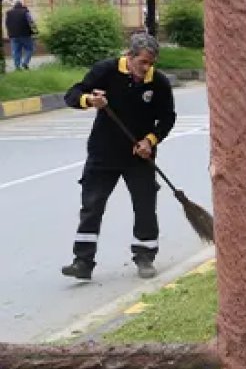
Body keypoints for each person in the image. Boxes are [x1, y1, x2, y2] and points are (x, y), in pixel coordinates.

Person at [61, 33, 177, 281]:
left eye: (151, 63)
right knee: (92, 205)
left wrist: (150, 140)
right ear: (129, 56)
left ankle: (145, 256)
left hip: (139, 156)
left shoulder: (158, 82)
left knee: (145, 205)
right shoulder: (106, 70)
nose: (146, 68)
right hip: (103, 152)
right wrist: (90, 100)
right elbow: (72, 94)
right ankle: (83, 261)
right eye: (142, 62)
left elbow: (167, 118)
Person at [4, 0, 38, 71]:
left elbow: (7, 24)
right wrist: (35, 32)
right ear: (21, 4)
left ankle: (17, 67)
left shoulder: (9, 13)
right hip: (25, 35)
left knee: (16, 51)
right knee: (30, 49)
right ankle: (25, 62)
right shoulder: (25, 12)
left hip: (13, 36)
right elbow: (31, 22)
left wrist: (9, 33)